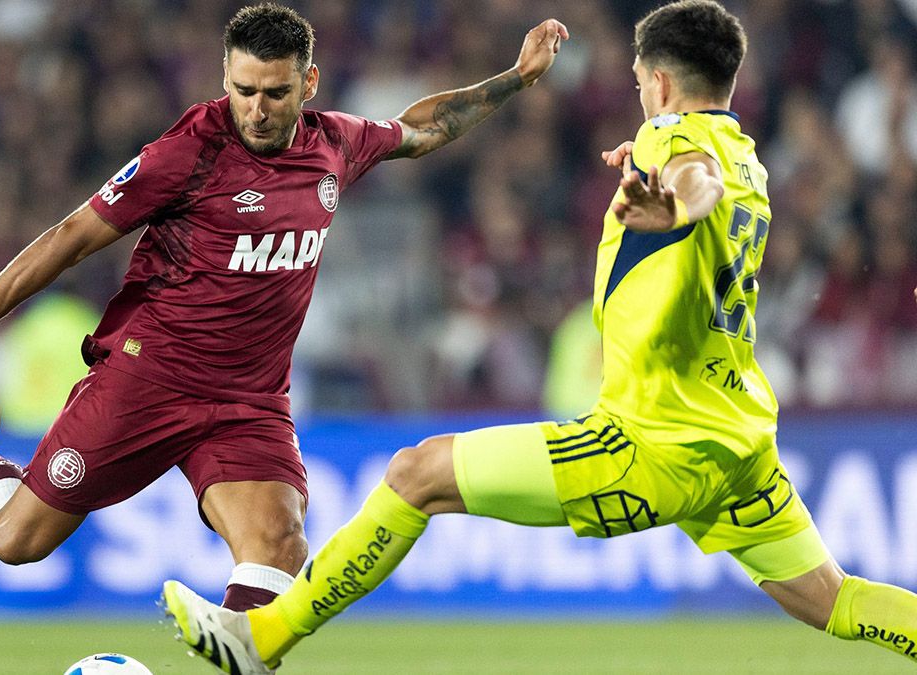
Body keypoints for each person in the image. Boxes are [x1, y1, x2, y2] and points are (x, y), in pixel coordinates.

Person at [161, 1, 917, 671]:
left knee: (416, 475)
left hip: (653, 442)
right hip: (737, 436)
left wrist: (674, 208)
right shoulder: (748, 157)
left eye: (637, 82)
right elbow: (711, 176)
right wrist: (659, 182)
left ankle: (261, 637)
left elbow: (695, 178)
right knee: (831, 597)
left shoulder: (673, 143)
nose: (638, 97)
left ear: (657, 83)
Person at [0, 3, 569, 612]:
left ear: (309, 83)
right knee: (16, 540)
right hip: (149, 378)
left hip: (249, 399)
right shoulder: (187, 153)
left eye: (275, 92)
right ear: (225, 80)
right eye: (243, 91)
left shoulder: (334, 144)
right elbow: (72, 237)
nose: (257, 109)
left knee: (279, 546)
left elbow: (424, 129)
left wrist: (516, 77)